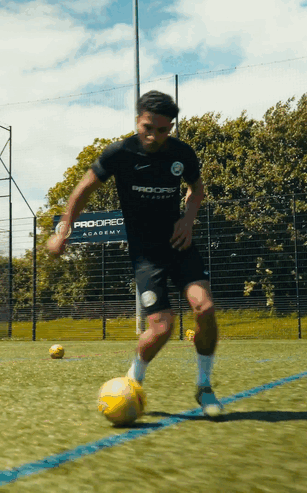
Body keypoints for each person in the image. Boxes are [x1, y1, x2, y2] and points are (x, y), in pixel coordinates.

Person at [47, 90, 223, 418]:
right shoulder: (119, 153)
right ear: (138, 121)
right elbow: (83, 188)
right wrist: (63, 231)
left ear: (171, 126)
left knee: (206, 308)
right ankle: (132, 380)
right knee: (161, 327)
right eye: (147, 128)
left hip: (179, 245)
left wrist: (188, 218)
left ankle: (204, 385)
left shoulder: (182, 154)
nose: (154, 136)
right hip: (146, 255)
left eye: (162, 130)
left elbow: (196, 189)